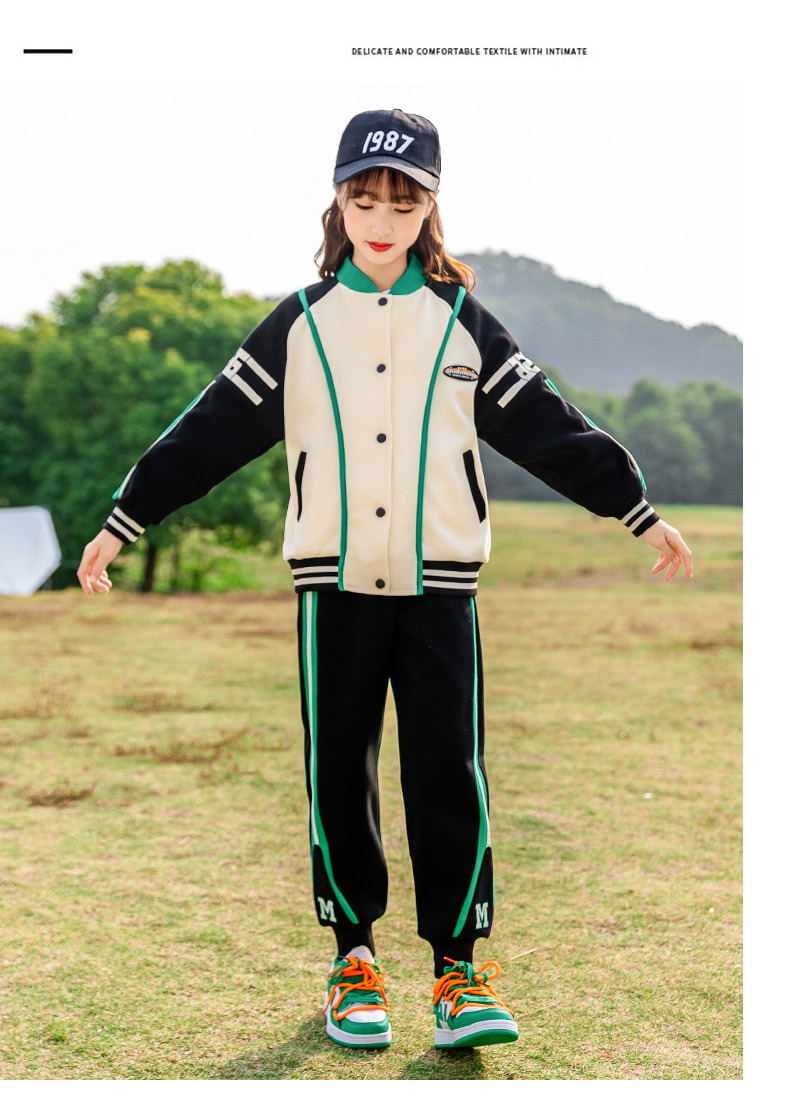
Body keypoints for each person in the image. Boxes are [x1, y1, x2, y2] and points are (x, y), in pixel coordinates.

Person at [78, 108, 693, 1052]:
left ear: (429, 209)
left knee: (449, 770)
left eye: (403, 204)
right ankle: (353, 960)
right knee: (339, 768)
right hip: (331, 583)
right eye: (364, 199)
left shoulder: (461, 321)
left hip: (442, 586)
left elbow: (546, 423)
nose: (381, 220)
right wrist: (127, 516)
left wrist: (634, 507)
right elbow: (210, 428)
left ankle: (458, 970)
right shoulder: (298, 323)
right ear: (338, 200)